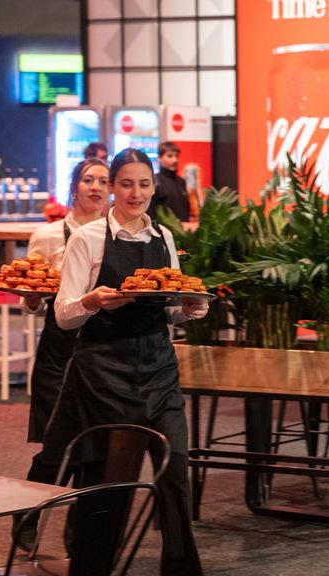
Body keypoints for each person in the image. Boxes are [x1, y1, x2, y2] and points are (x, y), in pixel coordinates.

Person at [30, 148, 207, 575]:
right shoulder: (88, 238)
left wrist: (188, 310)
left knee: (175, 475)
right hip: (104, 372)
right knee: (109, 482)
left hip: (159, 369)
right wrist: (91, 301)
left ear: (153, 187)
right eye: (126, 183)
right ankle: (93, 567)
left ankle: (181, 568)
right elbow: (64, 314)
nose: (135, 193)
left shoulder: (164, 238)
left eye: (144, 184)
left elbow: (168, 306)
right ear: (113, 186)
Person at [22, 158, 109, 446]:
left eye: (103, 181)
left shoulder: (117, 236)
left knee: (99, 438)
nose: (95, 187)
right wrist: (31, 299)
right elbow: (32, 300)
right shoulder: (47, 235)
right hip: (59, 345)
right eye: (88, 180)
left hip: (105, 346)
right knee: (56, 440)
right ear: (74, 188)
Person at [148, 141, 191, 221]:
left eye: (176, 156)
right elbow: (150, 213)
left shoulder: (181, 182)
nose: (175, 160)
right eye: (170, 156)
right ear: (160, 158)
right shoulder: (154, 181)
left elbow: (186, 210)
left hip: (184, 228)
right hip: (162, 228)